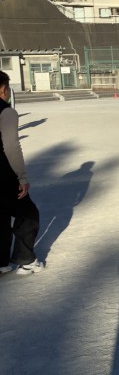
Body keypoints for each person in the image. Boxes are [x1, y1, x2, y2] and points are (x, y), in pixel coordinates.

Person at [0, 70, 44, 275]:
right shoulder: (6, 112)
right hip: (4, 174)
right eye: (8, 88)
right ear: (3, 89)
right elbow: (11, 146)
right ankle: (26, 260)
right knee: (28, 214)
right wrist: (22, 177)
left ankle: (1, 262)